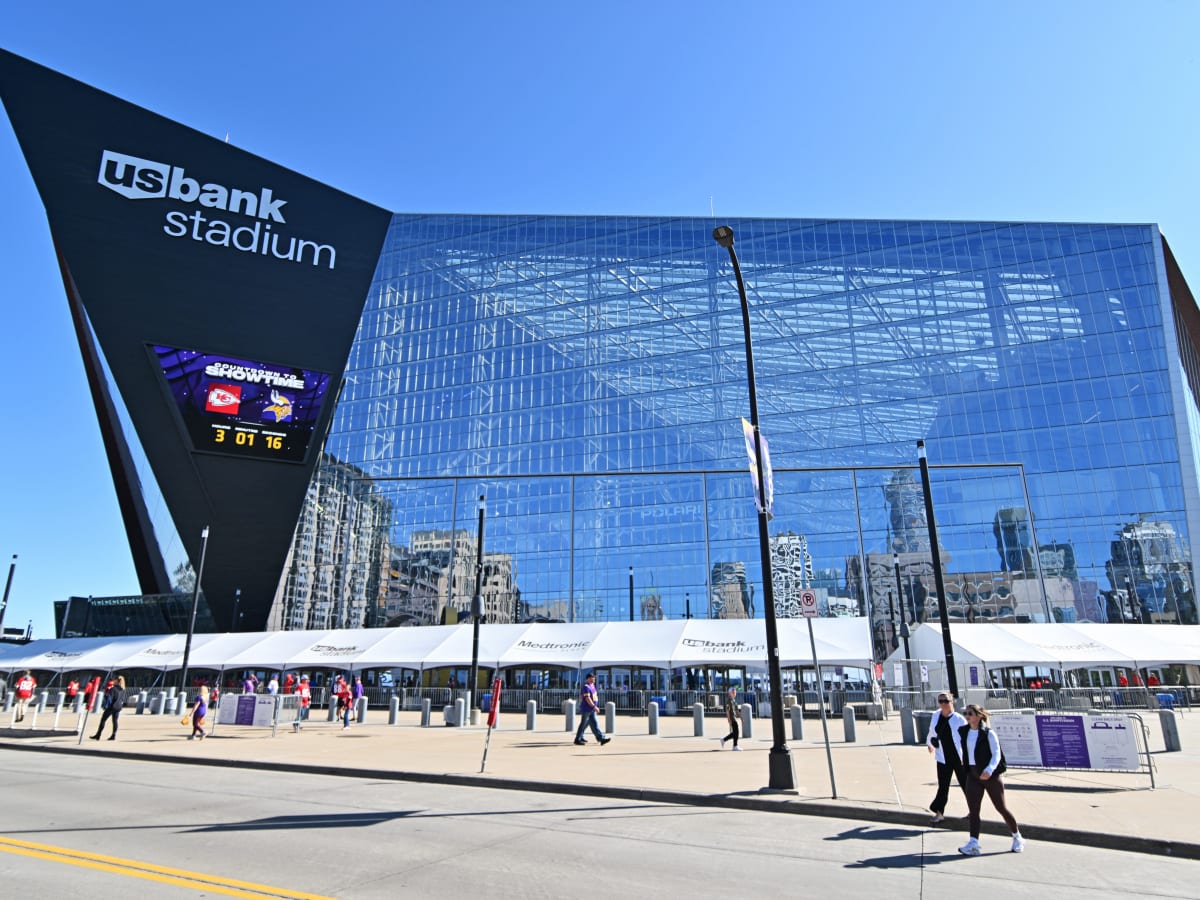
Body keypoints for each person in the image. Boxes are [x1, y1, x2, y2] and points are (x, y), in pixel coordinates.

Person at [957, 704, 1024, 855]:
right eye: (966, 713)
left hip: (990, 776)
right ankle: (973, 843)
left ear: (979, 715)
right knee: (973, 811)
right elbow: (964, 748)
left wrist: (989, 770)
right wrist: (964, 759)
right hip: (972, 774)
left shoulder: (988, 733)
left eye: (970, 713)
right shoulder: (964, 731)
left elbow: (996, 754)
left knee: (1001, 808)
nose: (967, 716)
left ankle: (1017, 836)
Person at [926, 692, 967, 824]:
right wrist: (930, 744)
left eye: (946, 701)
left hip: (958, 757)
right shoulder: (936, 715)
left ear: (952, 701)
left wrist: (966, 756)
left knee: (966, 785)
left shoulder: (959, 719)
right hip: (943, 756)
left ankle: (974, 811)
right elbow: (932, 731)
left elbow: (966, 739)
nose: (943, 704)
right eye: (940, 701)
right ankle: (939, 813)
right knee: (943, 786)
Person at [573, 673, 610, 746]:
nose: (594, 679)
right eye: (592, 678)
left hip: (591, 709)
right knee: (584, 724)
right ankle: (578, 739)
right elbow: (587, 698)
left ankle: (600, 738)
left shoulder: (592, 686)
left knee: (593, 724)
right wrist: (594, 707)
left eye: (594, 678)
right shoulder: (586, 687)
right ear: (588, 679)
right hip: (587, 709)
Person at [90, 676, 127, 741]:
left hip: (111, 707)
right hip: (118, 707)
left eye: (114, 680)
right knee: (115, 721)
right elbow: (123, 699)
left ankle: (98, 735)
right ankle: (113, 735)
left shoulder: (113, 689)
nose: (113, 681)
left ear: (117, 681)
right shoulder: (123, 690)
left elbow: (109, 698)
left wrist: (106, 700)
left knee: (103, 720)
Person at [720, 686, 742, 750]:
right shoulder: (729, 700)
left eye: (735, 691)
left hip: (734, 717)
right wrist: (729, 719)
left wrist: (741, 717)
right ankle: (735, 746)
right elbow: (727, 710)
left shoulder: (733, 700)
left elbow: (737, 710)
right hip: (732, 718)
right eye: (733, 691)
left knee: (735, 732)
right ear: (730, 693)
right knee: (736, 731)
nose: (735, 693)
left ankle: (724, 740)